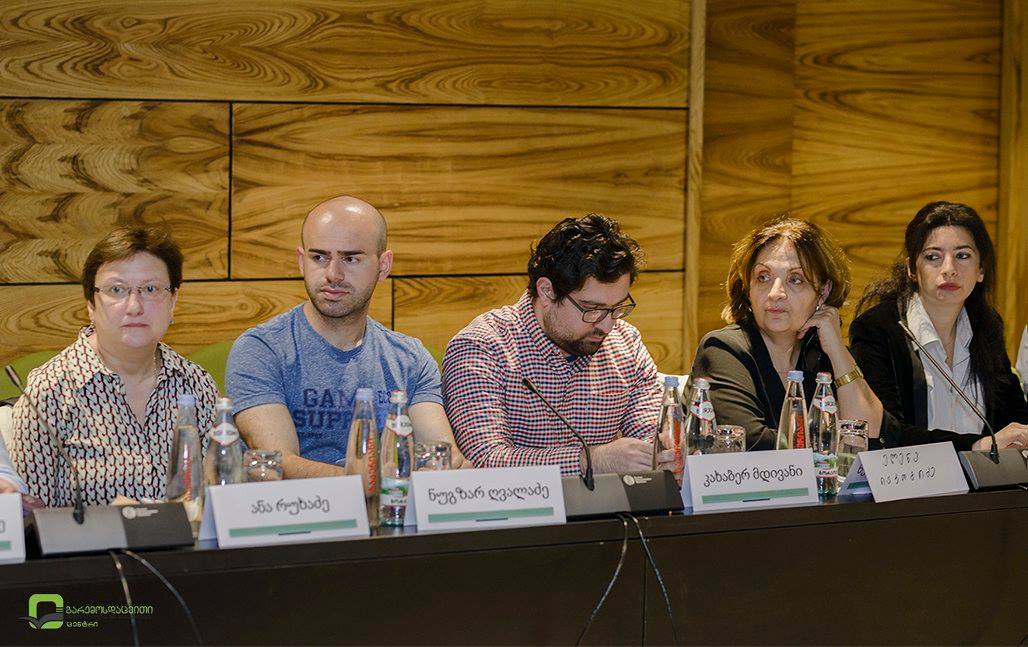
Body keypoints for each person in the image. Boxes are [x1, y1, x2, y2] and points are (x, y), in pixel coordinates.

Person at [227, 195, 468, 477]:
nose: (333, 274)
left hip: (390, 504)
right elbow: (279, 464)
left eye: (350, 258)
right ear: (302, 262)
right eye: (319, 257)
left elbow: (444, 457)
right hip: (301, 505)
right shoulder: (261, 350)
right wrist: (375, 483)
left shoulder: (411, 359)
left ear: (383, 266)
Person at [10, 226, 218, 506]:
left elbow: (217, 501)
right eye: (116, 290)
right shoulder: (49, 392)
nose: (134, 306)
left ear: (173, 301)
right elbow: (28, 518)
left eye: (151, 289)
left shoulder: (196, 384)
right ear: (91, 305)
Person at [443, 214, 660, 476]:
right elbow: (484, 461)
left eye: (617, 308)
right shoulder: (482, 348)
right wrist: (592, 461)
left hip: (609, 503)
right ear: (547, 292)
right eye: (591, 309)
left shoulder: (626, 344)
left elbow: (653, 442)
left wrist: (664, 454)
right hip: (520, 504)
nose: (607, 326)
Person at [691, 217, 884, 450]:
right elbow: (751, 443)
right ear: (748, 287)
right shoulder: (722, 349)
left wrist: (837, 351)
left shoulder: (823, 355)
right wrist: (835, 443)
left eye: (795, 279)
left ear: (823, 292)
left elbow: (870, 434)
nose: (775, 293)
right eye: (763, 277)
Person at [850, 201, 1028, 450]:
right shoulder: (877, 329)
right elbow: (888, 433)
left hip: (983, 475)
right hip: (912, 474)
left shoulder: (986, 325)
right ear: (912, 269)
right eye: (933, 257)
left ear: (981, 269)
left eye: (962, 256)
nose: (949, 269)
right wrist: (977, 445)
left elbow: (1014, 416)